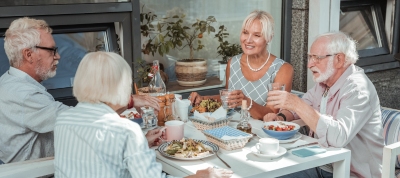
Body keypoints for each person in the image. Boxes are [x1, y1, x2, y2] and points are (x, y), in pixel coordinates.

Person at [0, 17, 160, 164]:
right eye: (51, 50)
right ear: (29, 55)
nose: (58, 56)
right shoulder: (23, 94)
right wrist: (129, 100)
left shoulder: (9, 82)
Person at [54, 51, 233, 178]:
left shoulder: (63, 120)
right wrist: (202, 176)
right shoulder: (126, 130)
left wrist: (140, 143)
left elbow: (96, 157)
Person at [264, 31, 384, 178]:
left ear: (339, 59)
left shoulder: (358, 89)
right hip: (321, 163)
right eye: (310, 57)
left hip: (350, 172)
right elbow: (303, 104)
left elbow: (338, 138)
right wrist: (281, 117)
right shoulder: (324, 83)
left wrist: (296, 104)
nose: (309, 64)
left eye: (317, 58)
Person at [188, 10, 293, 120]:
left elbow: (272, 115)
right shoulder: (233, 63)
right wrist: (203, 98)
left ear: (269, 38)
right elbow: (229, 100)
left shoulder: (282, 69)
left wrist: (247, 102)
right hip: (233, 129)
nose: (248, 40)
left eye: (257, 35)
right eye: (245, 33)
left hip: (263, 134)